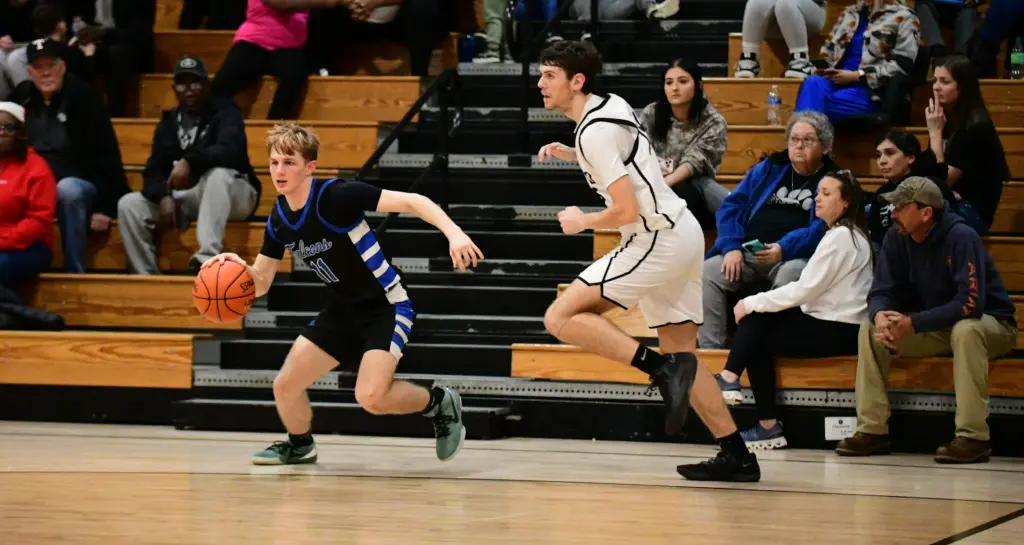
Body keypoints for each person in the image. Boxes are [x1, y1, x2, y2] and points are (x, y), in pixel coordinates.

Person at [535, 40, 760, 483]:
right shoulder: (610, 105)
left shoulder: (593, 133)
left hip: (656, 238)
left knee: (560, 317)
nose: (540, 84)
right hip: (681, 231)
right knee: (685, 354)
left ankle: (660, 370)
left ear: (576, 81)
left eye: (549, 76)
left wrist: (583, 221)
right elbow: (627, 153)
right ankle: (737, 454)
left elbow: (626, 210)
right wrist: (573, 152)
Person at [202, 122, 485, 465]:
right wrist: (238, 269)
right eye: (274, 162)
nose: (279, 171)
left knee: (371, 397)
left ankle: (438, 402)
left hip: (386, 305)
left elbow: (413, 200)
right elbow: (261, 281)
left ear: (310, 166)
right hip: (342, 309)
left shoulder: (337, 196)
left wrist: (454, 234)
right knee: (285, 385)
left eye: (289, 162)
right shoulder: (279, 218)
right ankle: (300, 445)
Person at [836, 177, 1017, 464]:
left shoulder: (962, 236)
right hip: (936, 327)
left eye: (901, 207)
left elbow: (970, 304)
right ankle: (872, 431)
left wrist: (913, 323)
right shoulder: (897, 237)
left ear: (926, 212)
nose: (893, 213)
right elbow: (881, 290)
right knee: (870, 329)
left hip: (992, 326)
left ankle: (973, 437)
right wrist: (880, 313)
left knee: (966, 330)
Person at [717, 170, 874, 449]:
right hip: (831, 321)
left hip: (839, 329)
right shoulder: (846, 234)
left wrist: (750, 302)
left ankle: (737, 388)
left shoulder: (841, 237)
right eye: (818, 192)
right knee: (757, 324)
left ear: (846, 202)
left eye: (826, 193)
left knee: (755, 326)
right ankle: (737, 389)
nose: (818, 198)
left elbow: (803, 289)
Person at [699, 111, 839, 349]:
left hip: (795, 257)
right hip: (749, 252)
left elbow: (823, 227)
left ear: (824, 147)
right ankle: (711, 351)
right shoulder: (769, 169)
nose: (799, 146)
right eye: (794, 139)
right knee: (709, 271)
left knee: (791, 276)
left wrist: (784, 249)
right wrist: (731, 246)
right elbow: (732, 206)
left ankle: (768, 349)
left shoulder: (833, 180)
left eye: (807, 140)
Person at [118, 56, 260, 274]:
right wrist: (163, 195)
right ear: (174, 88)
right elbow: (153, 171)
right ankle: (146, 275)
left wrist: (190, 161)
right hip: (192, 197)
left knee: (218, 175)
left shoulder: (225, 112)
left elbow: (230, 151)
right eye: (182, 84)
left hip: (236, 194)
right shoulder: (168, 124)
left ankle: (207, 257)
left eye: (195, 82)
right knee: (129, 204)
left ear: (206, 85)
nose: (189, 90)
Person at [8, 38, 129, 274]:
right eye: (39, 68)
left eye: (51, 65)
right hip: (33, 186)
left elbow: (107, 153)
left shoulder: (84, 97)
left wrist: (105, 206)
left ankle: (74, 271)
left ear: (63, 66)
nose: (46, 73)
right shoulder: (21, 98)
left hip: (77, 184)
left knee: (68, 190)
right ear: (30, 72)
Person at [638, 58, 729, 229]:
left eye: (683, 81)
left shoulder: (714, 122)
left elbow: (694, 162)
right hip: (654, 181)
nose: (674, 88)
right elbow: (639, 153)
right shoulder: (652, 113)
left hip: (696, 187)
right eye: (669, 82)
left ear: (698, 85)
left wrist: (662, 185)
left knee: (733, 207)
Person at [795, 0, 920, 123]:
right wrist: (823, 69)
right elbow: (828, 53)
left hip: (870, 91)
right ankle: (806, 133)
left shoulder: (904, 17)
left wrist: (857, 75)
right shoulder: (849, 13)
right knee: (812, 82)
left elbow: (902, 67)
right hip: (835, 82)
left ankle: (801, 134)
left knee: (812, 105)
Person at [925, 54, 1008, 234]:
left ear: (963, 86)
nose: (936, 87)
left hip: (971, 210)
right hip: (948, 202)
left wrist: (934, 133)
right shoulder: (945, 119)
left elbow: (941, 183)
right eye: (935, 80)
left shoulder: (976, 126)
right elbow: (926, 172)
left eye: (945, 82)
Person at [867, 131, 974, 250]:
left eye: (890, 153)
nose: (882, 161)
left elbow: (948, 228)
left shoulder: (930, 186)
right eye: (878, 155)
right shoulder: (881, 192)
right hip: (890, 253)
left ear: (910, 158)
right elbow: (876, 236)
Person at [211, 0, 308, 120]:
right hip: (254, 42)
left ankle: (275, 125)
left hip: (288, 47)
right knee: (220, 86)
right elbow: (282, 3)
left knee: (295, 76)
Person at [0, 101, 56, 288]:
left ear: (20, 133)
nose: (1, 133)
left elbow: (39, 220)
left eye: (8, 128)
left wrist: (4, 241)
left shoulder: (36, 167)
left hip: (29, 246)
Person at [734, 0, 828, 79]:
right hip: (776, 15)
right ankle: (749, 59)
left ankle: (801, 61)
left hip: (812, 9)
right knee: (756, 2)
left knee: (786, 2)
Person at [915, 0, 980, 59]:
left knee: (968, 14)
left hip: (961, 9)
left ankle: (962, 55)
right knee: (922, 8)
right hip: (931, 7)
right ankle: (935, 47)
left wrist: (975, 1)